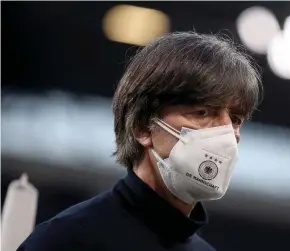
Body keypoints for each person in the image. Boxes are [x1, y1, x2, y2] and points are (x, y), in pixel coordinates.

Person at [18, 32, 262, 251]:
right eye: (202, 113)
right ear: (143, 127)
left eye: (236, 119)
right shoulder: (68, 239)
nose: (226, 133)